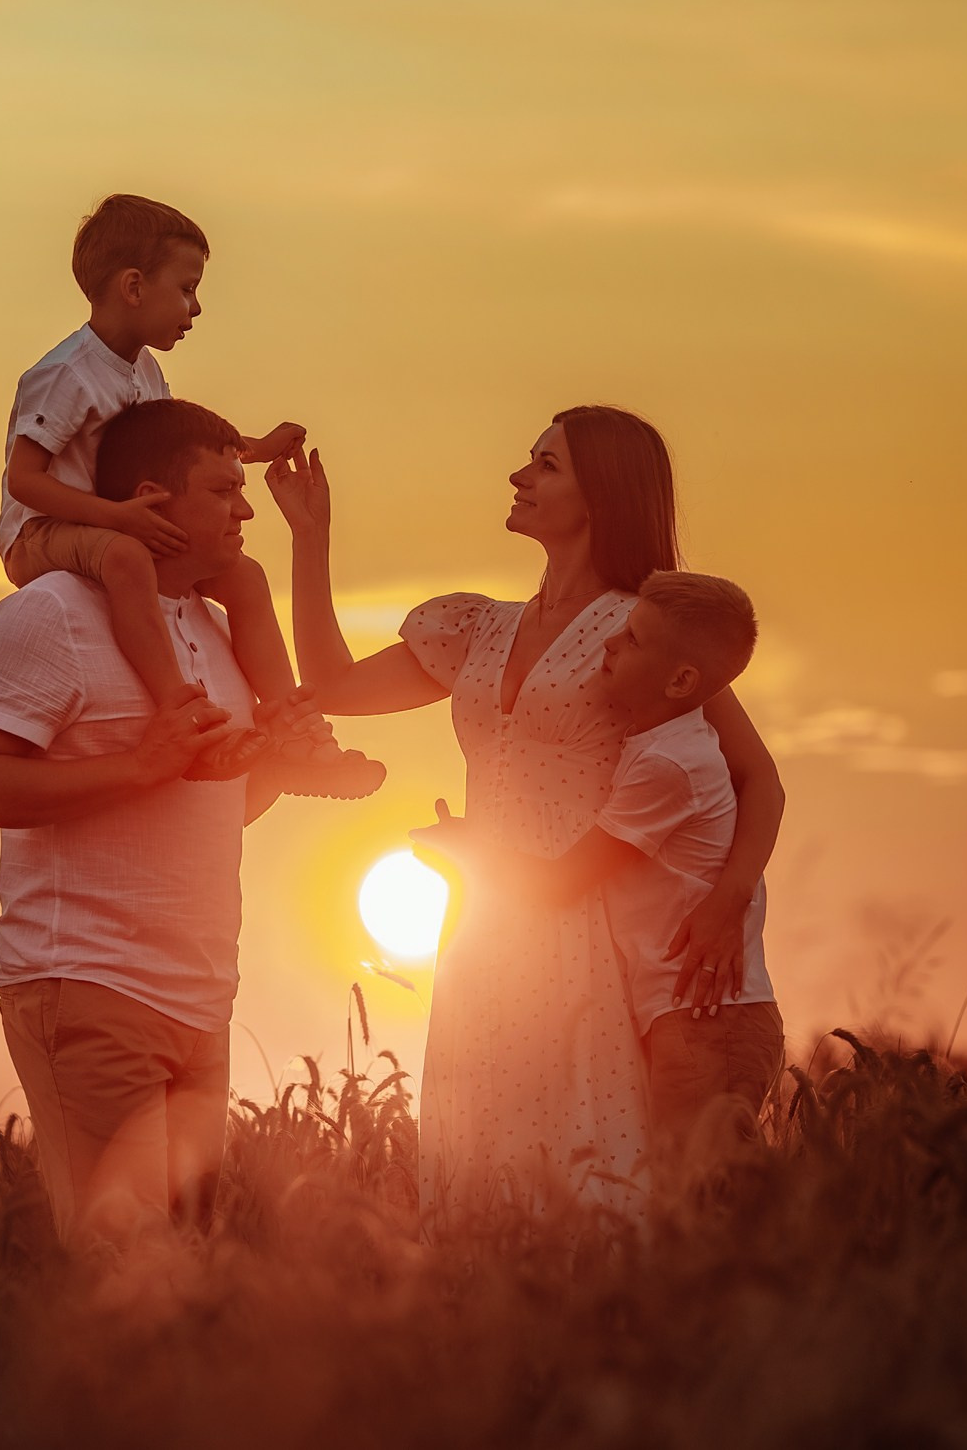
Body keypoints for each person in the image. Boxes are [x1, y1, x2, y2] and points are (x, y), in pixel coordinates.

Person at [266, 408, 785, 1223]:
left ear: (600, 498)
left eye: (545, 465)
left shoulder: (641, 631)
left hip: (589, 938)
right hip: (482, 934)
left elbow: (757, 777)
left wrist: (728, 898)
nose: (518, 476)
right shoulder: (479, 626)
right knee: (479, 1176)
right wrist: (309, 535)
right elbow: (333, 684)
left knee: (587, 1177)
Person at [0, 399, 330, 1246]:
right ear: (152, 498)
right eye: (223, 489)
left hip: (201, 1000)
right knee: (125, 1267)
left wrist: (275, 765)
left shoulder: (211, 625)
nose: (244, 509)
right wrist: (140, 763)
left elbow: (211, 808)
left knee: (187, 1276)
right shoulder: (49, 613)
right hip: (86, 980)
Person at [0, 193, 382, 798]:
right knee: (125, 559)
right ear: (133, 287)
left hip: (124, 524)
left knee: (246, 575)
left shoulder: (142, 371)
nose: (195, 308)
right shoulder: (66, 374)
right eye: (186, 289)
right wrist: (115, 519)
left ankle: (291, 726)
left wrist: (251, 448)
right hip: (45, 532)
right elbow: (25, 481)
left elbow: (174, 448)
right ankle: (182, 711)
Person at [409, 569, 782, 1161]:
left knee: (707, 1201)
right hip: (688, 1015)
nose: (608, 643)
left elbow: (563, 881)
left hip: (705, 1018)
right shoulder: (656, 748)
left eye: (631, 639)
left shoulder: (668, 765)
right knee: (694, 1195)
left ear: (682, 680)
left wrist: (470, 848)